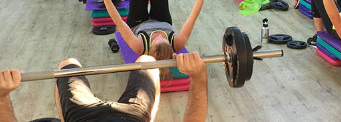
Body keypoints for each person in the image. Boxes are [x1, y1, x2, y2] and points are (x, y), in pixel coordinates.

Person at [0, 52, 207, 122]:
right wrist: (198, 78)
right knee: (147, 61)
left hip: (83, 117)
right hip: (132, 116)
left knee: (67, 66)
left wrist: (1, 97)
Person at [101, 0, 207, 77]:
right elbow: (192, 18)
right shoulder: (177, 43)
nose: (160, 35)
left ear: (150, 50)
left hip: (138, 23)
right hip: (162, 21)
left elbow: (119, 23)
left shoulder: (139, 46)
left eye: (156, 40)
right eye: (164, 39)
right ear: (171, 49)